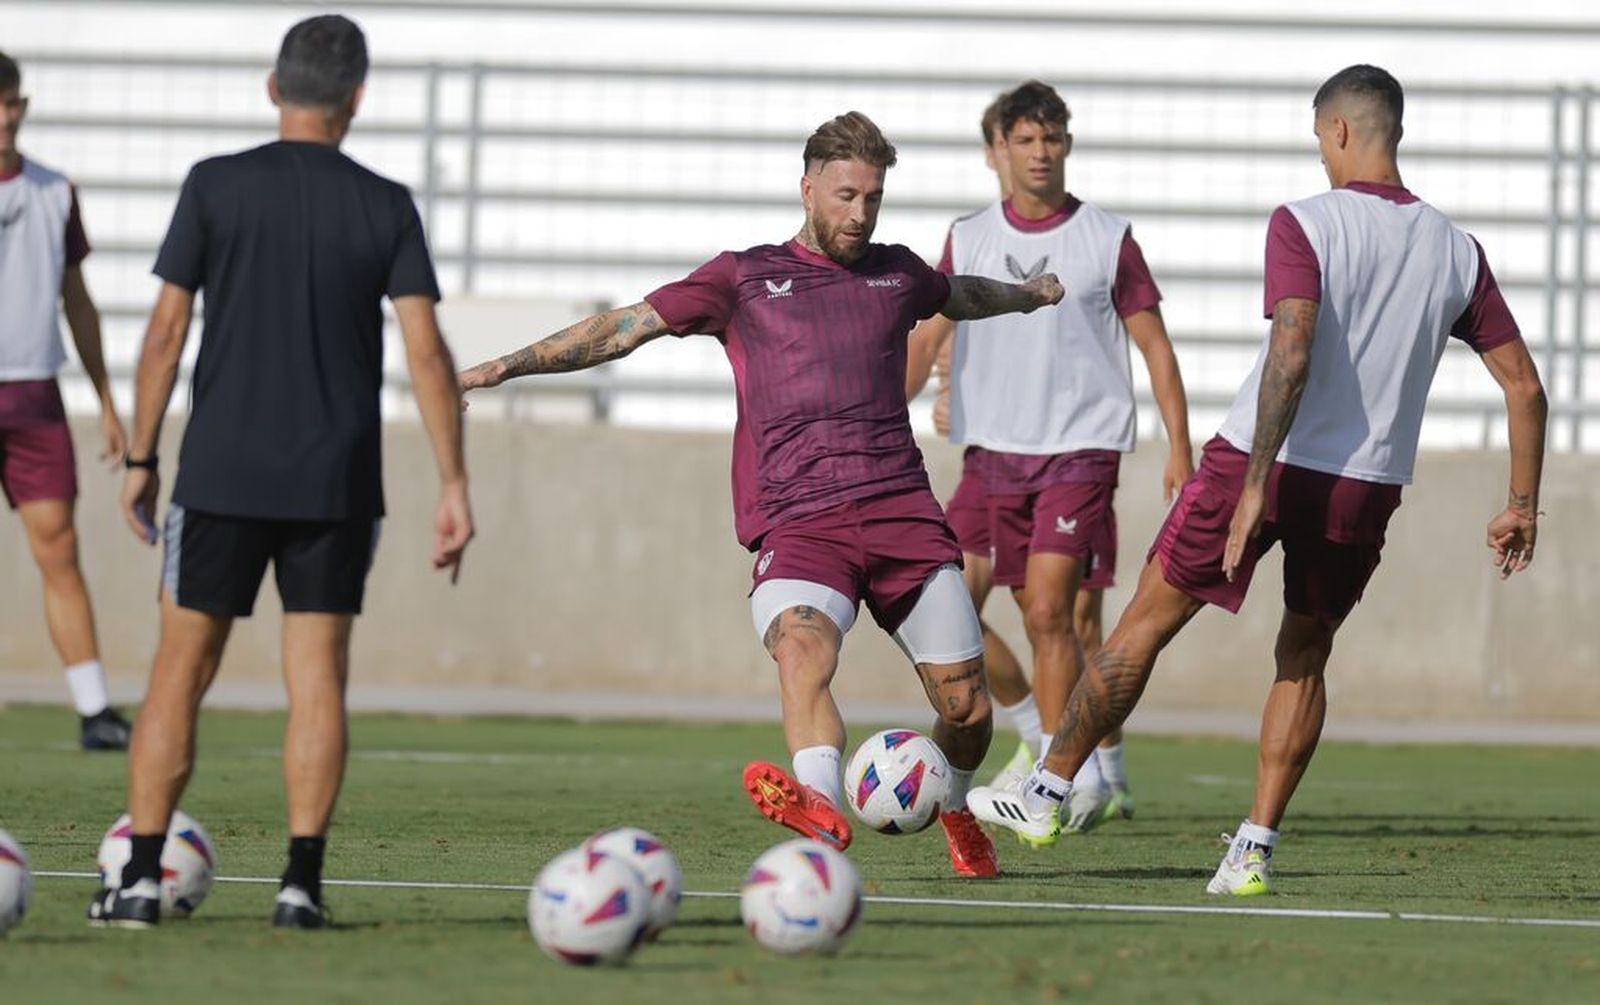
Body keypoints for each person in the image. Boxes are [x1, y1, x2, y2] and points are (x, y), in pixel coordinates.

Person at [967, 65, 1545, 895]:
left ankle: (1048, 791)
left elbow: (1293, 348)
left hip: (1258, 462)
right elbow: (1524, 386)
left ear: (1338, 130)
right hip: (1364, 482)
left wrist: (1252, 484)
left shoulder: (1306, 221)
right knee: (1304, 654)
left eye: (1319, 139)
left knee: (1145, 623)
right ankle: (1252, 850)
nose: (1320, 154)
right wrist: (1521, 504)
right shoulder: (1457, 249)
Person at [460, 111, 1063, 878]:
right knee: (801, 650)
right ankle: (820, 811)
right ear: (808, 188)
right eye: (845, 195)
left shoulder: (897, 274)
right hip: (799, 522)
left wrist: (1027, 295)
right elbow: (624, 327)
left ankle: (954, 809)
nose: (860, 214)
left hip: (903, 515)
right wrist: (501, 368)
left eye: (873, 198)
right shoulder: (742, 278)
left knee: (968, 710)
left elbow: (960, 294)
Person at [87, 15, 474, 929]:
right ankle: (299, 887)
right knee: (318, 679)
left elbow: (164, 333)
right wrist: (453, 481)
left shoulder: (214, 185)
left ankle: (137, 882)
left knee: (178, 673)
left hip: (219, 473)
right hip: (335, 482)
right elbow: (425, 350)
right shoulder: (385, 203)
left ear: (274, 87)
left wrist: (141, 456)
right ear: (357, 99)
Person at [907, 81, 1193, 833]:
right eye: (1026, 140)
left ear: (1067, 144)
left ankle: (1060, 783)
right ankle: (1042, 734)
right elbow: (926, 339)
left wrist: (1181, 448)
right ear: (998, 149)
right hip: (990, 454)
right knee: (939, 606)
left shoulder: (1105, 236)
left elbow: (1156, 348)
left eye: (1052, 138)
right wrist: (869, 407)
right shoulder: (968, 235)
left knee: (1051, 613)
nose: (1041, 153)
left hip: (1079, 449)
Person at [0, 51, 135, 750]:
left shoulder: (54, 191)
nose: (5, 117)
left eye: (12, 102)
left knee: (59, 546)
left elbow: (77, 301)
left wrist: (107, 398)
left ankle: (94, 710)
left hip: (33, 394)